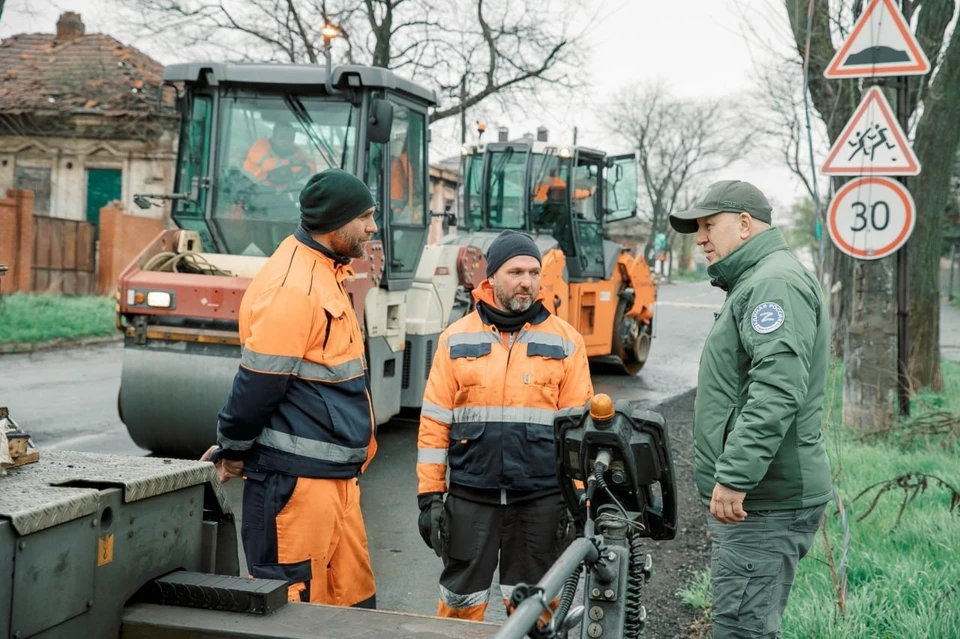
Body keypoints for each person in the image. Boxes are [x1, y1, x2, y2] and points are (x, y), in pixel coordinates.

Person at [201, 168, 380, 609]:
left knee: (353, 602)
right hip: (295, 485)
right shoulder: (291, 287)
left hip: (333, 482)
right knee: (294, 608)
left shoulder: (326, 273)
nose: (373, 228)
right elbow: (258, 385)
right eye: (365, 217)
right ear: (336, 222)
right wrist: (234, 447)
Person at [669, 180, 833, 638]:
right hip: (764, 498)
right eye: (697, 228)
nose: (700, 237)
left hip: (764, 502)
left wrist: (736, 476)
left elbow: (777, 390)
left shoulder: (772, 283)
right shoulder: (757, 280)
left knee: (742, 629)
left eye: (708, 225)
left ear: (744, 224)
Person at [416, 229, 594, 621]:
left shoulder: (567, 342)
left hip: (540, 501)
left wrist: (579, 499)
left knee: (536, 608)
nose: (527, 282)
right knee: (460, 604)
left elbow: (579, 436)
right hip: (471, 498)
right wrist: (429, 497)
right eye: (515, 272)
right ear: (492, 276)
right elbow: (433, 425)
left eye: (534, 272)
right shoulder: (455, 339)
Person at [243, 122, 315, 189]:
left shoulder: (295, 150)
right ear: (274, 137)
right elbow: (267, 165)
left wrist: (297, 169)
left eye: (291, 139)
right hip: (253, 188)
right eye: (282, 137)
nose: (287, 142)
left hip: (280, 192)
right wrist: (290, 162)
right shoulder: (260, 146)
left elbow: (311, 166)